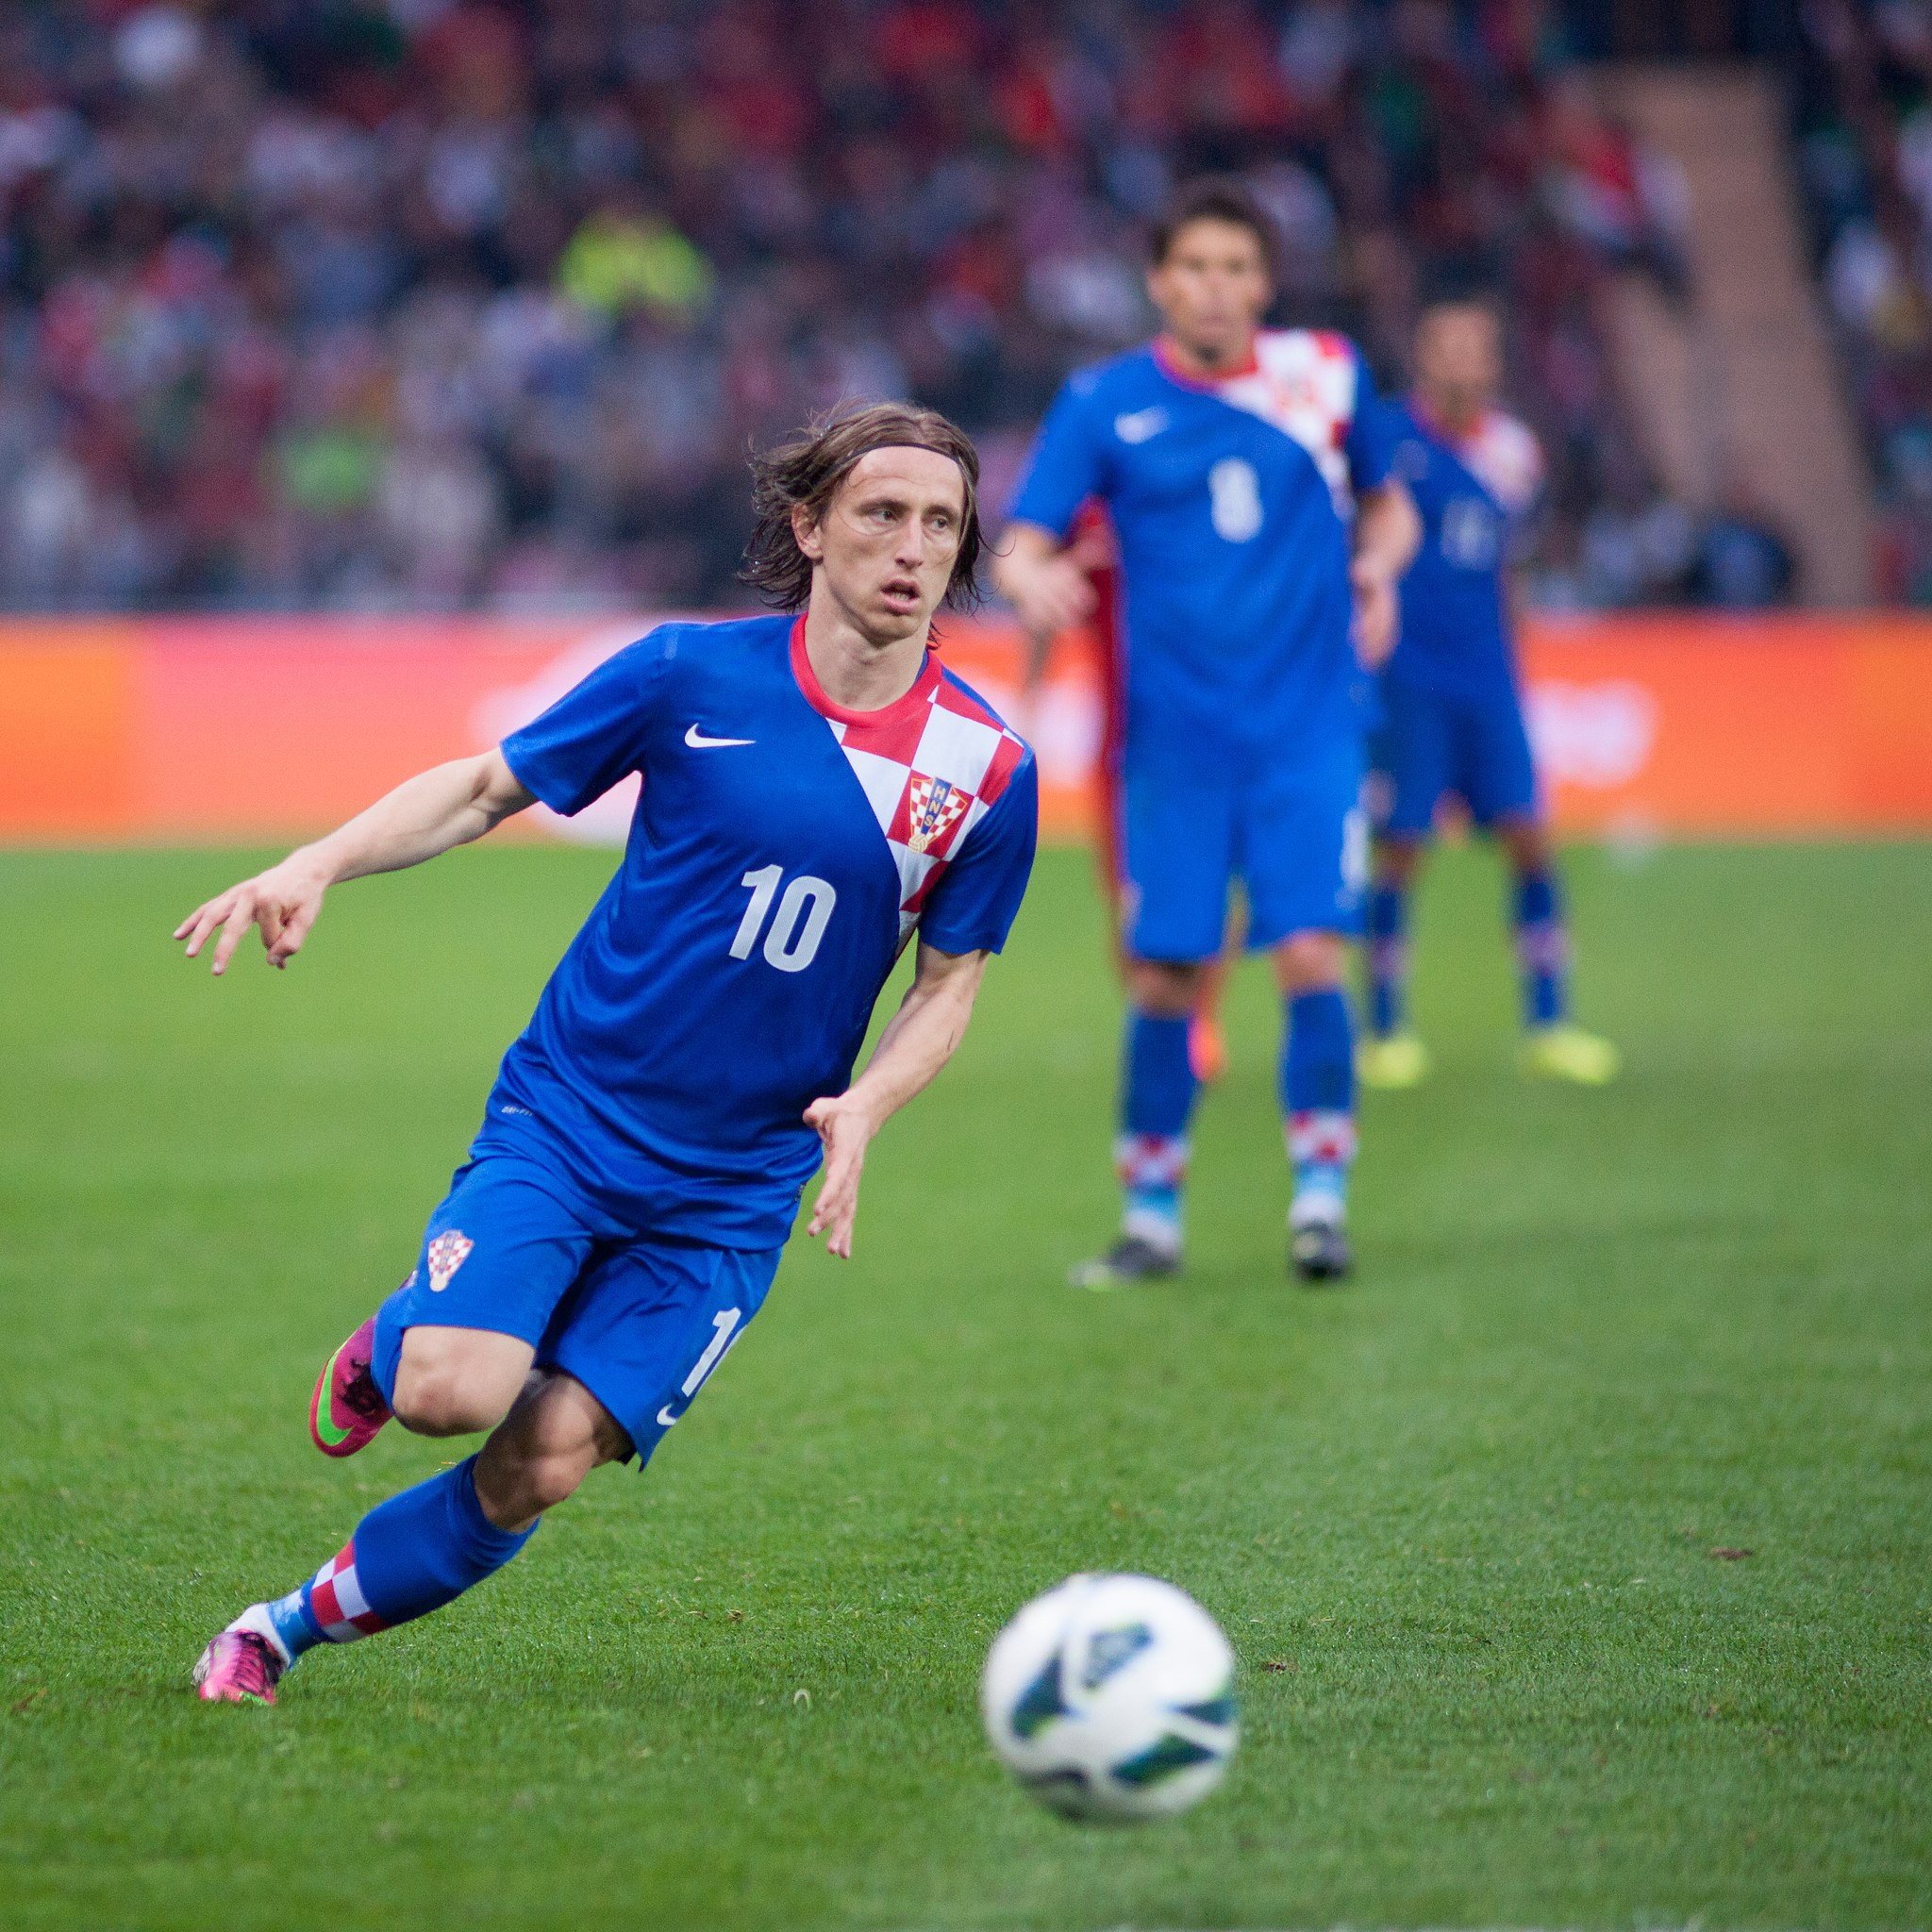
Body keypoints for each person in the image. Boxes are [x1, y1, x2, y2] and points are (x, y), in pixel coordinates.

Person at [181, 403, 1038, 1705]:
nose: (912, 546)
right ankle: (388, 1343)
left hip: (734, 1186)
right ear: (809, 528)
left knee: (544, 1461)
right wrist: (320, 861)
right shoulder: (688, 674)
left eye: (940, 522)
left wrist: (868, 1102)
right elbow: (482, 790)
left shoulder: (986, 769)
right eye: (880, 513)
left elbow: (949, 983)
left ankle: (276, 1631)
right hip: (575, 1116)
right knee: (451, 1393)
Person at [995, 177, 1420, 1288]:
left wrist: (1376, 566)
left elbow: (1388, 502)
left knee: (1313, 951)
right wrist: (1031, 578)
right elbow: (1022, 541)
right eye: (1193, 267)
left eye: (1235, 267)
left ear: (1264, 284)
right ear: (1157, 281)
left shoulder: (1322, 374)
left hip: (1308, 731)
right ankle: (1150, 1216)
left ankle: (1318, 1201)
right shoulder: (1101, 402)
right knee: (1161, 977)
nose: (1214, 287)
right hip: (1171, 747)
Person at [1359, 294, 1618, 1090]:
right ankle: (1386, 1028)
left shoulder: (1514, 452)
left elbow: (1512, 563)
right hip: (1408, 676)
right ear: (1423, 356)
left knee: (1530, 836)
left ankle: (1550, 1019)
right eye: (1451, 346)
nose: (1468, 360)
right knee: (1402, 845)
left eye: (1481, 347)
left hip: (1488, 676)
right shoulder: (1384, 439)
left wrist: (1516, 653)